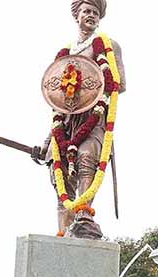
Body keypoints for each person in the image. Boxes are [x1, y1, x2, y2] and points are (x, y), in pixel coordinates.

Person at [41, 0, 126, 239]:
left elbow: (120, 84)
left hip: (94, 117)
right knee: (58, 173)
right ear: (76, 16)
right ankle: (64, 230)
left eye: (95, 13)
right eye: (86, 11)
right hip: (65, 122)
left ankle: (84, 215)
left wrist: (98, 89)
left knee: (86, 157)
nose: (90, 16)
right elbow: (55, 99)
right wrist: (47, 141)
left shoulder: (109, 46)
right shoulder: (65, 54)